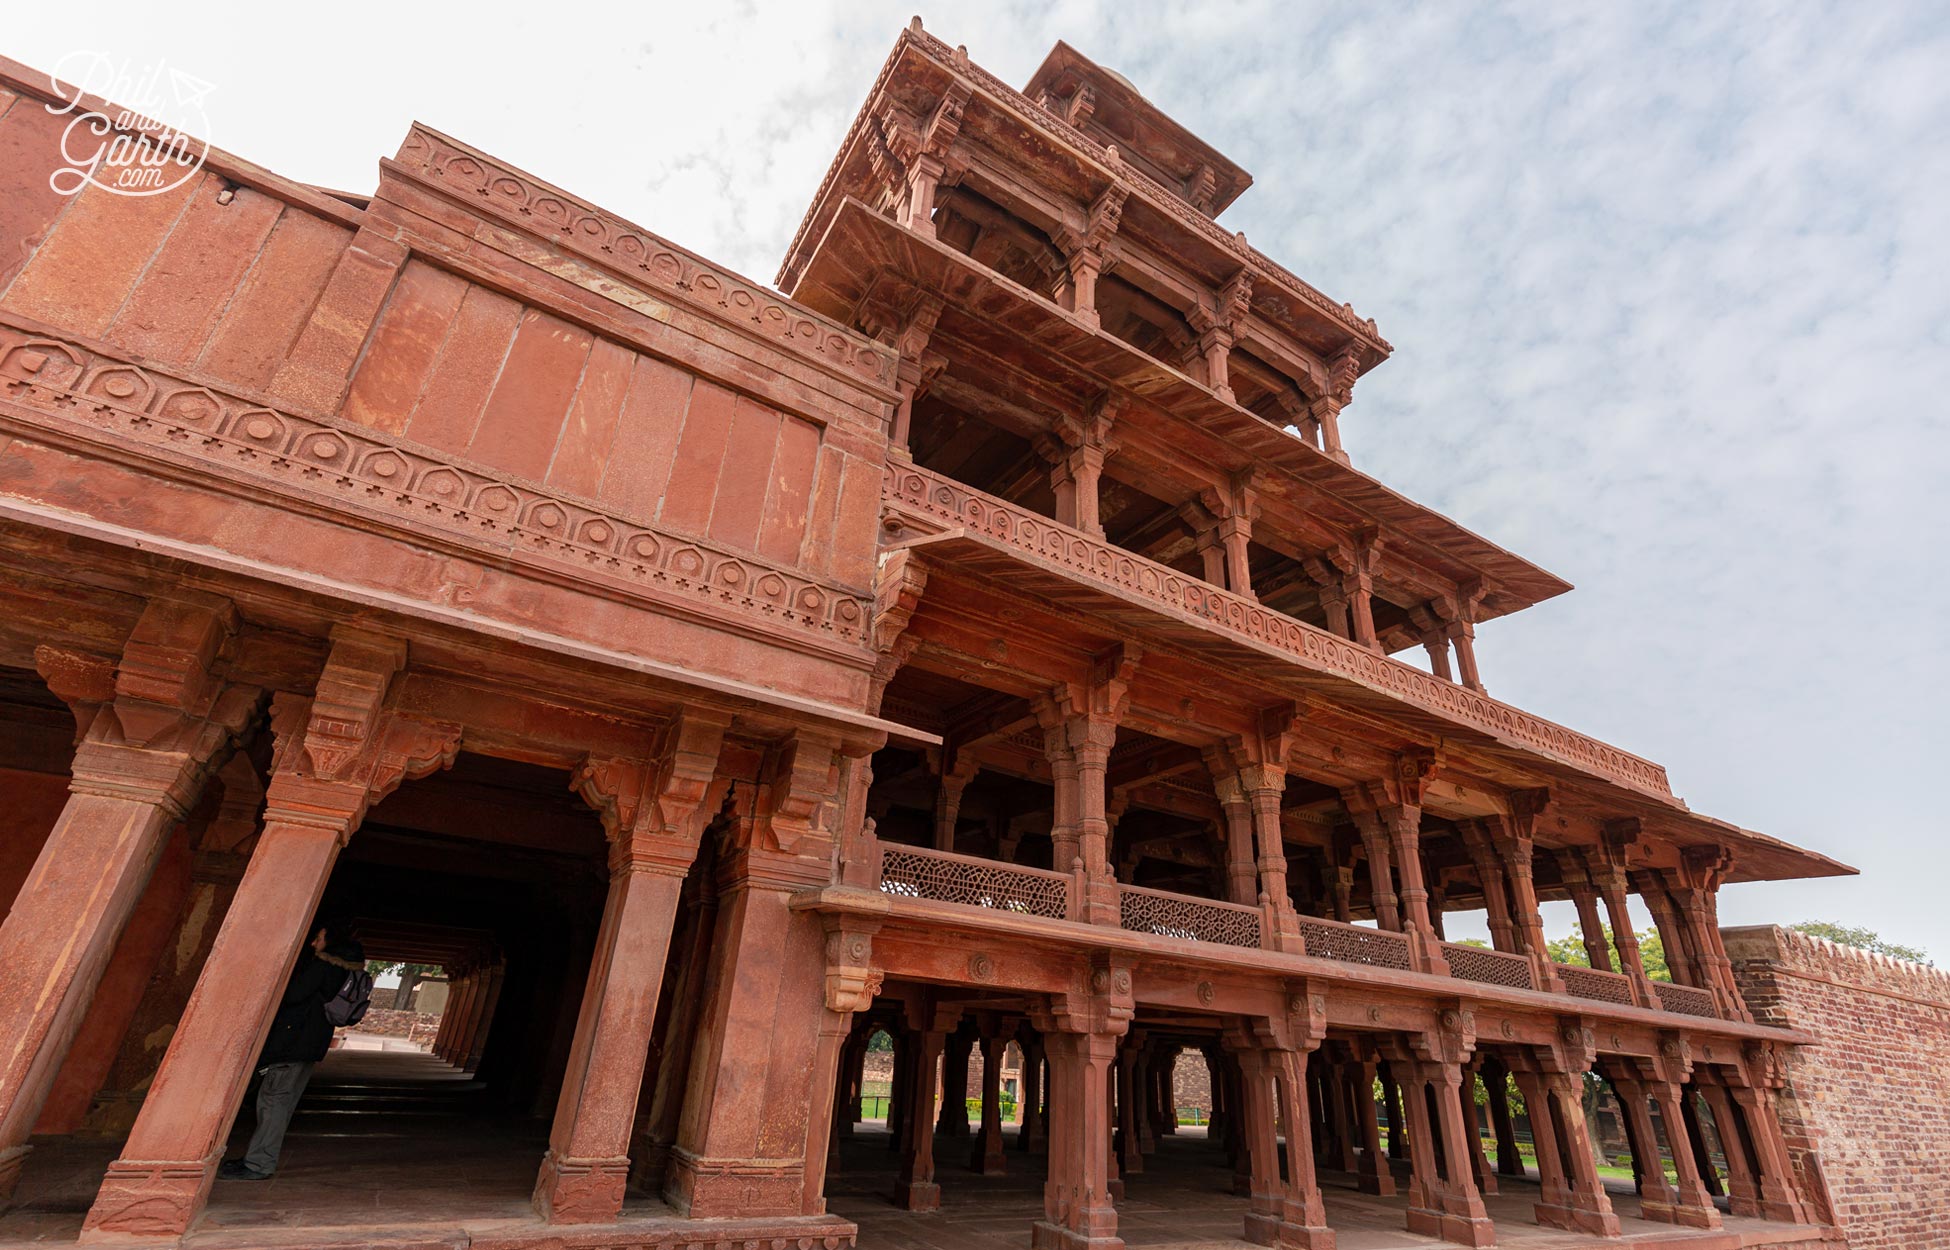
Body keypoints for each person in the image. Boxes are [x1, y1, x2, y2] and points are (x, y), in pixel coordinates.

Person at [217, 921, 366, 1180]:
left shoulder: (322, 968)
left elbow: (292, 996)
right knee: (281, 1104)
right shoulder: (343, 974)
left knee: (273, 1103)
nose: (313, 943)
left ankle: (258, 1164)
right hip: (310, 1048)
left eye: (318, 938)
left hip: (291, 1044)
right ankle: (259, 1157)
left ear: (331, 942)